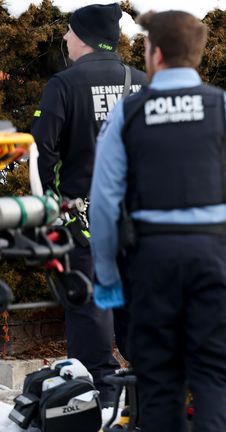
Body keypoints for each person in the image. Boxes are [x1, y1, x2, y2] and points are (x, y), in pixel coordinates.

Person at [88, 10, 226, 431]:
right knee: (215, 377)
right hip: (215, 258)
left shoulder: (126, 115)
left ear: (156, 54)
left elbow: (104, 203)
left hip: (151, 260)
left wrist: (106, 275)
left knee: (159, 382)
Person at [30, 2, 147, 404]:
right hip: (139, 225)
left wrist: (49, 210)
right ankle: (149, 400)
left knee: (91, 320)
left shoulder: (63, 85)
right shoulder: (145, 84)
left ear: (82, 37)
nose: (64, 38)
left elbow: (40, 154)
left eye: (69, 31)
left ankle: (101, 402)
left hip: (84, 227)